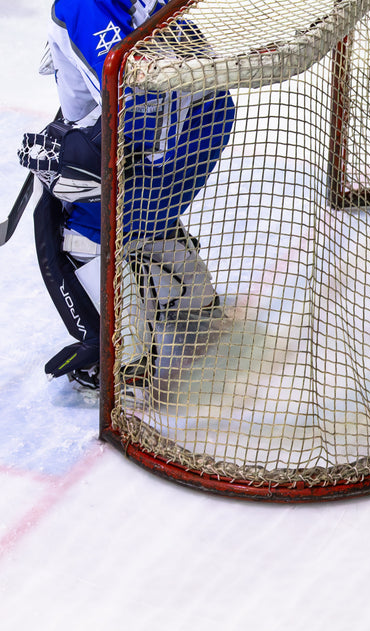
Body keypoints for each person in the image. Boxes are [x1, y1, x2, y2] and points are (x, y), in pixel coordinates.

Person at [16, 0, 233, 393]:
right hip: (207, 129)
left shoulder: (79, 6)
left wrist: (62, 152)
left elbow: (137, 110)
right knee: (143, 209)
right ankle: (188, 300)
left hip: (162, 148)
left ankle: (122, 357)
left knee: (71, 212)